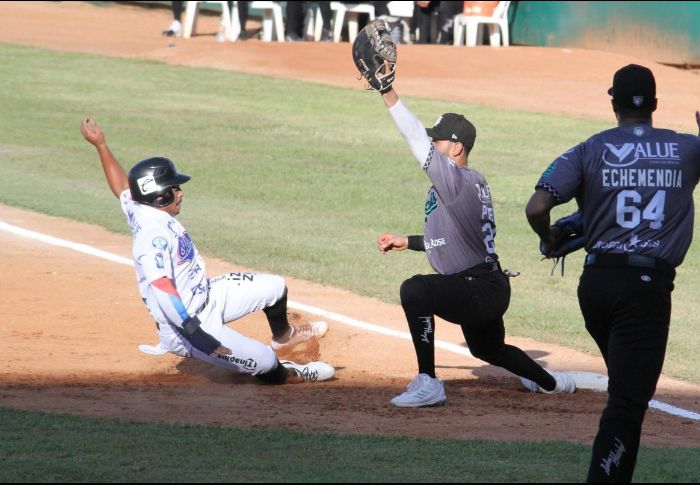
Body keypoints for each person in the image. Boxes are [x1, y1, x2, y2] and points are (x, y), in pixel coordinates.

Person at [524, 64, 700, 482]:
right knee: (626, 405)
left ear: (613, 103)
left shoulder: (590, 148)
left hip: (596, 288)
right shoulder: (686, 148)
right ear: (654, 105)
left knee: (627, 392)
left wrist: (550, 238)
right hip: (645, 292)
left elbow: (536, 207)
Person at [375, 69, 576, 408]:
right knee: (488, 349)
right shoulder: (466, 183)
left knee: (416, 289)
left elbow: (413, 138)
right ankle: (550, 382)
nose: (431, 145)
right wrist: (406, 241)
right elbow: (451, 241)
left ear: (456, 147)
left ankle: (428, 382)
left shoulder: (458, 181)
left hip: (478, 287)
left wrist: (387, 91)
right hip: (485, 285)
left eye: (437, 141)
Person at [80, 117, 333, 384]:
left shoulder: (141, 206)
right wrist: (198, 336)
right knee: (266, 363)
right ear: (159, 197)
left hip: (207, 295)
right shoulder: (152, 238)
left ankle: (284, 338)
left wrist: (101, 145)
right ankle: (292, 372)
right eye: (174, 189)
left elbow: (122, 187)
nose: (181, 194)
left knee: (275, 287)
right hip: (186, 326)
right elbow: (163, 290)